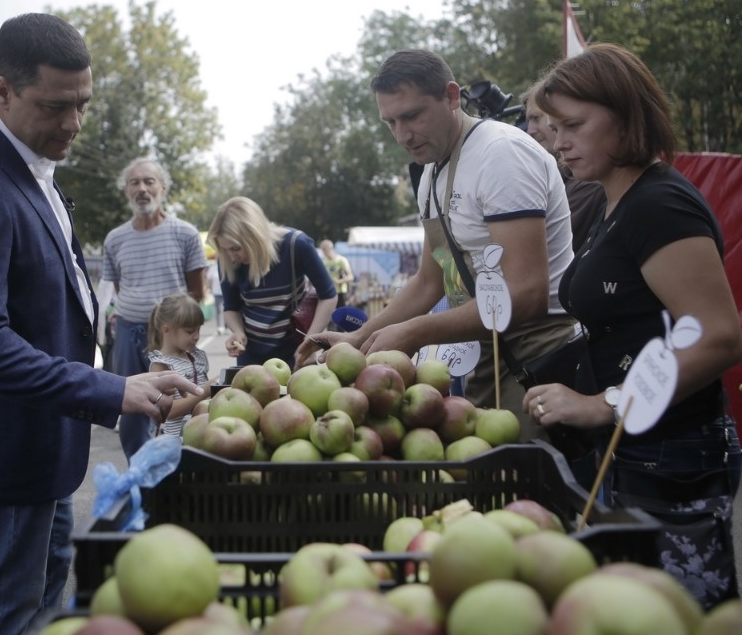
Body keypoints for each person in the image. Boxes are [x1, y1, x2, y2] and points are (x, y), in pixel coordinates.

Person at [0, 14, 201, 634]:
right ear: (2, 91)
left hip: (43, 431)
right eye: (54, 107)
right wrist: (115, 388)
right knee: (5, 606)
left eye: (83, 104)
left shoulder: (24, 158)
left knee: (47, 589)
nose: (72, 124)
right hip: (9, 438)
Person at [522, 43, 742, 608]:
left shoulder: (660, 205)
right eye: (552, 125)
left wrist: (602, 404)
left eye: (573, 125)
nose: (559, 140)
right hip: (635, 453)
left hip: (671, 458)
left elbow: (719, 335)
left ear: (626, 117)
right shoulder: (613, 201)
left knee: (677, 613)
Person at [300, 49, 576, 441]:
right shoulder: (432, 174)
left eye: (411, 116)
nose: (401, 135)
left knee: (531, 492)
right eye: (390, 122)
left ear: (451, 96)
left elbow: (525, 293)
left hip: (539, 357)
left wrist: (415, 332)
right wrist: (358, 338)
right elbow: (432, 280)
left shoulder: (500, 154)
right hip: (488, 355)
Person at [102, 157, 208, 459]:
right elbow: (121, 289)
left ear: (163, 188)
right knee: (132, 411)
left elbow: (196, 292)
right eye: (134, 182)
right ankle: (142, 482)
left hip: (169, 336)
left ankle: (170, 483)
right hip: (127, 332)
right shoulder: (115, 239)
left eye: (149, 181)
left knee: (176, 412)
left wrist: (175, 334)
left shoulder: (185, 233)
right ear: (126, 191)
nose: (142, 188)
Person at [207, 196, 337, 367]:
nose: (231, 256)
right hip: (250, 359)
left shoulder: (296, 244)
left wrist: (310, 342)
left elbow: (328, 296)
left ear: (254, 235)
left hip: (295, 354)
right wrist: (237, 332)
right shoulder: (227, 259)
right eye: (225, 249)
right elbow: (231, 308)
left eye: (236, 248)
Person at [522, 83, 605, 253]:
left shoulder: (590, 180)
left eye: (536, 118)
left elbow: (540, 245)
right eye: (528, 120)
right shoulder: (564, 173)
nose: (529, 130)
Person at [147, 292, 212, 437]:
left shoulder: (196, 356)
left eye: (198, 329)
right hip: (175, 440)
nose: (196, 336)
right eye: (190, 331)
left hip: (200, 432)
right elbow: (170, 411)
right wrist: (205, 391)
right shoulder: (161, 364)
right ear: (166, 329)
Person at [319, 239, 355, 307]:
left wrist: (338, 281)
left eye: (325, 249)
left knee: (341, 316)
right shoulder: (323, 262)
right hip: (328, 294)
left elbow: (351, 277)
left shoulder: (341, 260)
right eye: (322, 250)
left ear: (331, 248)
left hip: (341, 293)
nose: (324, 252)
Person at [206, 255, 225, 334]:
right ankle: (219, 326)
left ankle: (226, 325)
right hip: (216, 292)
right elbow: (209, 279)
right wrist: (209, 288)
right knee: (218, 310)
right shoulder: (213, 267)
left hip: (225, 292)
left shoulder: (226, 266)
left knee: (227, 309)